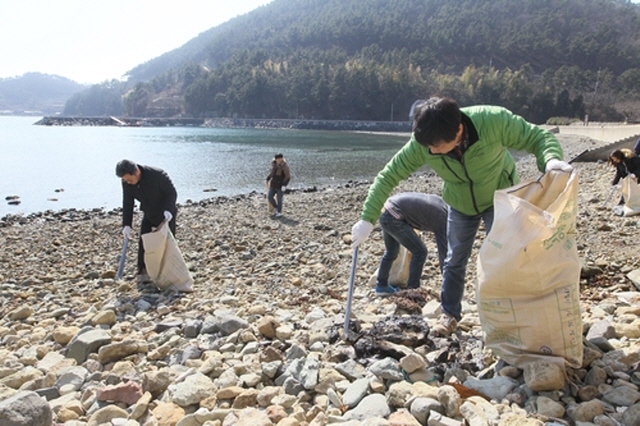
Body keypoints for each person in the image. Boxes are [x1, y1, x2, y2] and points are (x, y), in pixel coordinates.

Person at [350, 96, 570, 336]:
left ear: (458, 131)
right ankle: (449, 314)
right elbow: (388, 176)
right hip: (460, 203)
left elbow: (537, 137)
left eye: (436, 147)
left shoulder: (492, 120)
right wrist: (367, 218)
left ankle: (510, 316)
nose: (432, 152)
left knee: (505, 257)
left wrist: (550, 159)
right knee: (454, 261)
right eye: (428, 147)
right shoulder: (423, 144)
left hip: (498, 197)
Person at [374, 192, 448, 296]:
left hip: (386, 210)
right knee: (420, 252)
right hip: (394, 216)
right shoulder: (444, 218)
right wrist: (449, 282)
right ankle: (413, 290)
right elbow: (444, 254)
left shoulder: (444, 205)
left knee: (391, 251)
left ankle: (381, 286)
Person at [115, 159, 177, 281]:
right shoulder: (126, 182)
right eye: (125, 180)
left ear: (137, 172)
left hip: (166, 214)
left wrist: (168, 209)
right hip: (148, 212)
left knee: (167, 242)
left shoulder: (157, 175)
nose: (128, 182)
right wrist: (127, 224)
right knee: (144, 241)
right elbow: (128, 202)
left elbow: (171, 193)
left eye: (130, 180)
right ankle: (143, 272)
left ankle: (169, 271)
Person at [266, 153, 291, 218]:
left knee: (279, 199)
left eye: (281, 158)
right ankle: (276, 207)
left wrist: (284, 185)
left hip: (280, 185)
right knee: (269, 197)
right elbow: (272, 173)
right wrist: (268, 178)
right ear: (276, 159)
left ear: (282, 158)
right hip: (273, 184)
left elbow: (288, 177)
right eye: (278, 159)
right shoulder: (274, 165)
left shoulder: (285, 166)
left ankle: (279, 212)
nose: (279, 160)